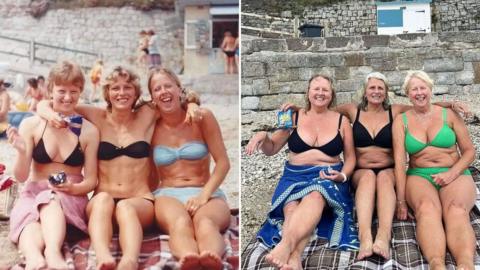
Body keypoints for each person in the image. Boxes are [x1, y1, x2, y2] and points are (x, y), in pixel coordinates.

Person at [281, 72, 469, 260]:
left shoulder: (394, 111)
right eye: (372, 87)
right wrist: (298, 109)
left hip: (388, 168)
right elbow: (322, 109)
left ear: (386, 93)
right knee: (369, 177)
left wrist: (450, 104)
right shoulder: (352, 110)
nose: (376, 91)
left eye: (380, 88)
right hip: (361, 170)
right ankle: (365, 238)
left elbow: (423, 105)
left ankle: (383, 237)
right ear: (364, 91)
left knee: (385, 177)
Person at [37, 66, 201, 269]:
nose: (122, 93)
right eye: (115, 88)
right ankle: (104, 258)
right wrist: (46, 112)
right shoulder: (95, 115)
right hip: (102, 203)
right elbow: (53, 102)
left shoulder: (147, 114)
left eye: (127, 88)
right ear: (107, 92)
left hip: (140, 201)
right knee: (103, 199)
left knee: (126, 207)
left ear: (136, 92)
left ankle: (129, 261)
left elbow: (176, 97)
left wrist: (192, 104)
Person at [246, 74, 358, 270]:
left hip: (326, 175)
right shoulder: (294, 117)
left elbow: (351, 158)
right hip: (294, 175)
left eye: (325, 90)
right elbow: (271, 149)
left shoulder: (342, 122)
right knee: (290, 206)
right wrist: (263, 136)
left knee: (315, 196)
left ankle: (285, 246)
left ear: (332, 95)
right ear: (308, 92)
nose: (320, 93)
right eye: (316, 89)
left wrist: (342, 176)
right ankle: (294, 259)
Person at [6, 60, 99, 269]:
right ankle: (33, 258)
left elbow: (92, 180)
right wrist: (21, 152)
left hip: (72, 195)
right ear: (50, 90)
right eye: (61, 91)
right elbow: (20, 177)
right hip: (33, 190)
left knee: (50, 198)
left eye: (74, 91)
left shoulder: (88, 131)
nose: (67, 97)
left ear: (81, 91)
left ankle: (53, 253)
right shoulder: (31, 124)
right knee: (30, 219)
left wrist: (74, 188)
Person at [149, 67, 231, 270]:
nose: (163, 91)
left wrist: (204, 195)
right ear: (152, 97)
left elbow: (223, 162)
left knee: (206, 224)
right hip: (168, 193)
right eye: (157, 88)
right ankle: (189, 259)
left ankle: (210, 258)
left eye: (168, 86)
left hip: (206, 190)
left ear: (179, 89)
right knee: (179, 223)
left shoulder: (202, 117)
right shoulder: (150, 124)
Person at [393, 71, 476, 270]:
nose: (419, 93)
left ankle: (465, 263)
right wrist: (401, 201)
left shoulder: (449, 114)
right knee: (426, 209)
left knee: (455, 209)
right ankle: (436, 264)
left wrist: (451, 173)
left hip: (454, 171)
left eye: (423, 88)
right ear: (407, 94)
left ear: (431, 90)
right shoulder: (401, 121)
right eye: (414, 89)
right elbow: (399, 163)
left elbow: (469, 151)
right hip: (419, 174)